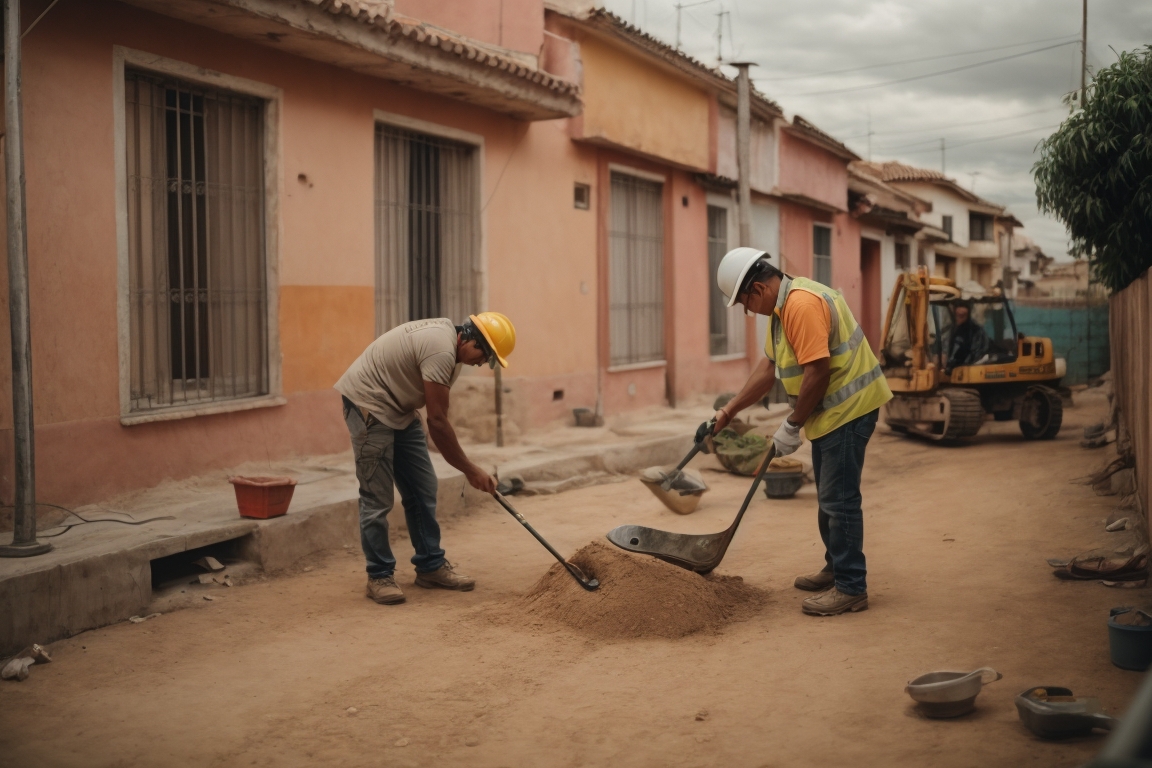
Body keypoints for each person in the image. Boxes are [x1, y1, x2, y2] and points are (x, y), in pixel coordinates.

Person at [711, 248, 892, 616]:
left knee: (839, 500)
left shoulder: (801, 306)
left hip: (850, 409)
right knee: (829, 500)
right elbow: (767, 371)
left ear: (758, 289)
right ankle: (836, 568)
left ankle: (852, 586)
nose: (748, 312)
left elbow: (818, 372)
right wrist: (729, 411)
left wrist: (791, 425)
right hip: (828, 415)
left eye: (745, 304)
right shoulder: (781, 312)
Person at [334, 312, 516, 605]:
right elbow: (439, 422)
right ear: (469, 338)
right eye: (485, 355)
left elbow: (437, 417)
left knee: (423, 487)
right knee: (376, 498)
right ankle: (379, 575)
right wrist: (471, 470)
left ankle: (430, 566)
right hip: (368, 402)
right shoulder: (441, 350)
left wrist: (460, 461)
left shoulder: (450, 350)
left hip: (399, 408)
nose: (482, 363)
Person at [944, 303, 989, 374]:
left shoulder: (975, 331)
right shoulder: (951, 330)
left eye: (964, 306)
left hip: (967, 371)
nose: (960, 310)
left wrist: (957, 365)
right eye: (958, 306)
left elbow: (975, 354)